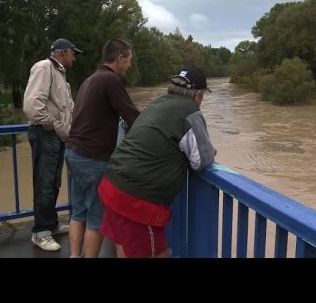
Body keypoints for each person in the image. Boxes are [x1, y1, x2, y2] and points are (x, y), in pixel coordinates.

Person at [98, 66, 217, 258]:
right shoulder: (190, 110)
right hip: (136, 199)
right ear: (197, 95)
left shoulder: (157, 103)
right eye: (202, 96)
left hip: (112, 184)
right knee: (159, 253)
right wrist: (210, 151)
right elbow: (200, 161)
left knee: (125, 245)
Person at [64, 38, 140, 258]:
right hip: (92, 158)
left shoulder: (91, 79)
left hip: (73, 152)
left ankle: (75, 255)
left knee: (78, 212)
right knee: (96, 217)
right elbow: (132, 116)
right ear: (120, 59)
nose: (130, 65)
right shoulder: (111, 80)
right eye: (129, 60)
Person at [23, 38, 82, 251]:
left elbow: (67, 107)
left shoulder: (60, 75)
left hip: (56, 136)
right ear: (63, 52)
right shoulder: (44, 67)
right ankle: (40, 232)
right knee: (44, 184)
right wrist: (49, 124)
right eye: (73, 53)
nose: (74, 58)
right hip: (44, 133)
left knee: (53, 182)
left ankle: (51, 224)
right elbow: (32, 103)